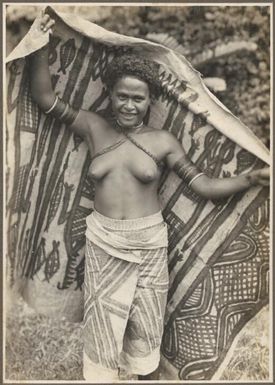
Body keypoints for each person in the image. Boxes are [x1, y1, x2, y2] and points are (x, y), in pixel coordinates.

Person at [29, 13, 270, 382]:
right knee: (102, 330)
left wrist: (252, 177)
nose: (128, 105)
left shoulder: (163, 142)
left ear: (150, 100)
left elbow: (203, 186)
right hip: (103, 242)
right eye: (122, 96)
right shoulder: (94, 127)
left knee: (145, 329)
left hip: (149, 245)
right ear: (109, 94)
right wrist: (40, 46)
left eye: (138, 99)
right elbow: (44, 98)